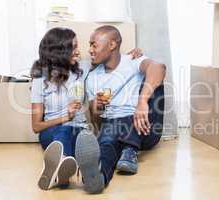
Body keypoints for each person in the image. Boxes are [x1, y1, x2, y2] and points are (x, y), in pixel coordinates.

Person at [30, 27, 142, 190]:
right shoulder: (40, 79)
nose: (79, 51)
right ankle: (63, 164)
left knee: (81, 138)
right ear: (60, 51)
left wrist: (131, 55)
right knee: (64, 130)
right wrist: (65, 118)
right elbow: (36, 126)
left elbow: (110, 55)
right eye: (73, 47)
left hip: (79, 131)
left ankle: (62, 171)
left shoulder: (81, 68)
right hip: (51, 132)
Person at [75, 25, 166, 194]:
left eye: (94, 45)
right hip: (113, 127)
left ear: (112, 45)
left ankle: (130, 149)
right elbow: (97, 121)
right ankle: (98, 177)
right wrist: (97, 107)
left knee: (154, 83)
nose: (90, 50)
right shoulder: (93, 77)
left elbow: (159, 67)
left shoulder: (133, 60)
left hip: (144, 128)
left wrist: (142, 102)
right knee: (107, 144)